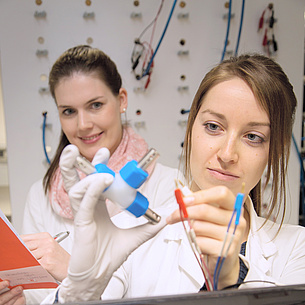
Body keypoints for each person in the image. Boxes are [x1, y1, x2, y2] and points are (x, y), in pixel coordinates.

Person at [41, 53, 305, 304]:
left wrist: (231, 279)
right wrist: (82, 288)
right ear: (190, 129)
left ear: (274, 151)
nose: (227, 154)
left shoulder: (297, 248)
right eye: (213, 127)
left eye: (253, 137)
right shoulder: (125, 232)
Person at [16, 45, 179, 305]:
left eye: (95, 105)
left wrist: (79, 274)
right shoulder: (41, 196)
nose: (83, 125)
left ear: (122, 99)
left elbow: (167, 290)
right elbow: (36, 297)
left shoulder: (169, 185)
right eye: (69, 111)